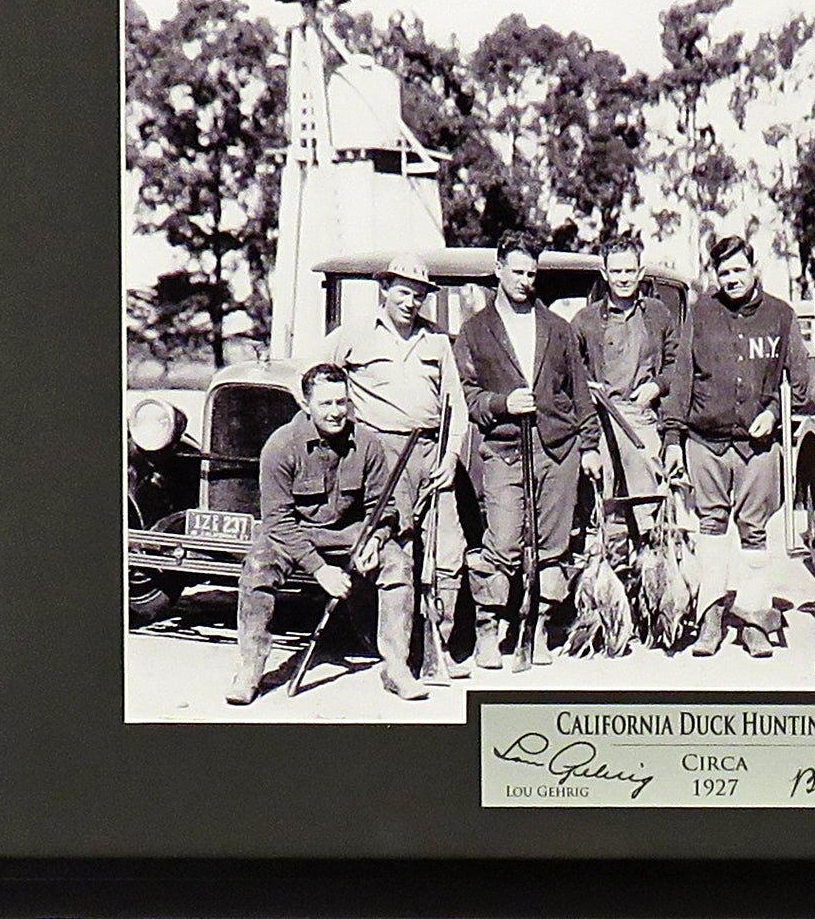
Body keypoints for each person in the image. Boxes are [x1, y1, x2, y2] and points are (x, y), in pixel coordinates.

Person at [664, 233, 815, 658]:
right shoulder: (701, 313)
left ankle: (754, 618)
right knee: (710, 529)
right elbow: (682, 377)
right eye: (724, 272)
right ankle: (710, 618)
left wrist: (774, 412)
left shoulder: (781, 315)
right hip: (705, 442)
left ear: (755, 270)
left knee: (755, 532)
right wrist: (672, 437)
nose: (732, 278)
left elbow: (802, 379)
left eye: (739, 270)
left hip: (758, 448)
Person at [455, 229, 603, 667]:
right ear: (499, 271)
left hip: (557, 450)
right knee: (502, 541)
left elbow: (579, 394)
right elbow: (467, 394)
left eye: (531, 273)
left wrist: (589, 446)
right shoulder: (476, 331)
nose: (524, 280)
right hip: (503, 449)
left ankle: (537, 627)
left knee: (553, 546)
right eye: (516, 271)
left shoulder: (557, 329)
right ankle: (488, 629)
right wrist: (501, 403)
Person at [227, 364, 416, 704]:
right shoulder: (281, 446)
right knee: (257, 566)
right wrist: (320, 569)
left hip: (351, 534)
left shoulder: (367, 442)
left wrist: (374, 539)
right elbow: (277, 521)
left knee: (398, 564)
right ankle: (250, 668)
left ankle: (396, 666)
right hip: (295, 536)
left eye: (341, 402)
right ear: (306, 404)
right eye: (326, 403)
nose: (335, 412)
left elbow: (381, 507)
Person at [324, 252, 469, 686]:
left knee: (447, 553)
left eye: (419, 295)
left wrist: (448, 458)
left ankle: (435, 651)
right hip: (379, 454)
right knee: (395, 551)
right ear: (383, 290)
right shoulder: (352, 335)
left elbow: (455, 406)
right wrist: (342, 439)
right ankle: (396, 658)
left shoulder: (436, 341)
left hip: (429, 452)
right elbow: (310, 383)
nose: (411, 302)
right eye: (403, 292)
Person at [570, 232, 682, 563]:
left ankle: (651, 583)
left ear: (640, 272)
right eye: (616, 271)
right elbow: (571, 372)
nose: (623, 278)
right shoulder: (585, 320)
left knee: (650, 509)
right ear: (605, 274)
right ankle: (613, 588)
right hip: (601, 421)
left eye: (629, 271)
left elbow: (679, 363)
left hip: (642, 422)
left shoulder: (658, 314)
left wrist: (658, 386)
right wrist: (588, 388)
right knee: (608, 510)